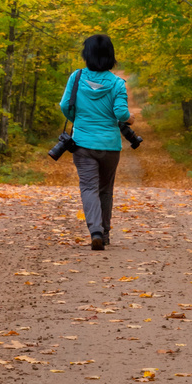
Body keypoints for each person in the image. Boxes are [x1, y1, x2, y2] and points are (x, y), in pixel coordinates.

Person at [59, 34, 133, 251]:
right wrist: (131, 119)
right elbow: (120, 113)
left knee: (89, 187)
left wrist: (79, 121)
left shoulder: (77, 77)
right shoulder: (117, 83)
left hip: (82, 143)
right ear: (111, 56)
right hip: (110, 145)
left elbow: (65, 106)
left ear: (87, 54)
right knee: (105, 189)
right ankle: (106, 232)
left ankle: (96, 232)